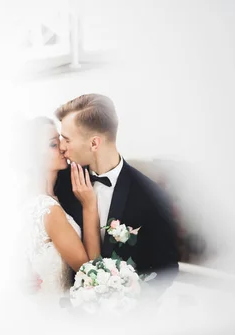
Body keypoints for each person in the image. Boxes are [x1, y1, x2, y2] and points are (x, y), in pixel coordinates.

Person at [54, 94, 179, 293]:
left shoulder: (151, 197)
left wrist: (126, 305)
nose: (61, 147)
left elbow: (167, 269)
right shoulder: (60, 182)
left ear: (94, 143)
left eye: (67, 140)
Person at [22, 117, 100, 303]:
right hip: (53, 313)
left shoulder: (31, 199)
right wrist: (89, 207)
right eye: (53, 144)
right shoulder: (48, 209)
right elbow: (91, 273)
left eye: (62, 141)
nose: (63, 148)